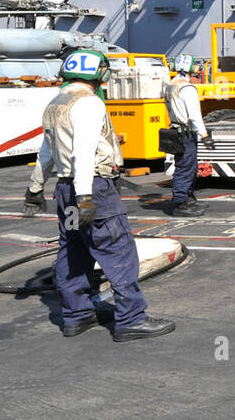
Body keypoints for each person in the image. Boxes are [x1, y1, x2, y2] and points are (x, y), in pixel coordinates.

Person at [23, 49, 175, 342]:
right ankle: (131, 319)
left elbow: (46, 151)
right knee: (117, 251)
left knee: (72, 250)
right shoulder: (89, 104)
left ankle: (76, 316)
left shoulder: (55, 103)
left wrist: (35, 188)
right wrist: (85, 199)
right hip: (90, 189)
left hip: (65, 189)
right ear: (98, 74)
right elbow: (83, 153)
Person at [162, 54, 214, 216]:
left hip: (176, 130)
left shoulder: (170, 85)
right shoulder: (188, 88)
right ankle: (180, 203)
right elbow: (194, 115)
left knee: (188, 166)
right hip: (186, 133)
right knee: (185, 167)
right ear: (194, 69)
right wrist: (205, 135)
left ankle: (188, 197)